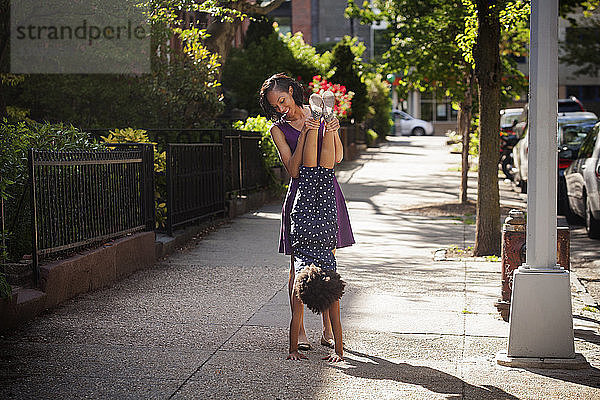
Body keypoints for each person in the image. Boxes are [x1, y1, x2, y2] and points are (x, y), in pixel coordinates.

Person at [259, 73, 354, 357]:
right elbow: (293, 169)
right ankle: (299, 330)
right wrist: (305, 136)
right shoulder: (278, 129)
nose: (280, 108)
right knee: (297, 267)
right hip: (301, 194)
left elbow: (337, 158)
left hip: (325, 189)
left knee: (328, 261)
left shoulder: (319, 113)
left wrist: (333, 128)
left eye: (282, 100)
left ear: (291, 91)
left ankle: (328, 327)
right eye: (274, 106)